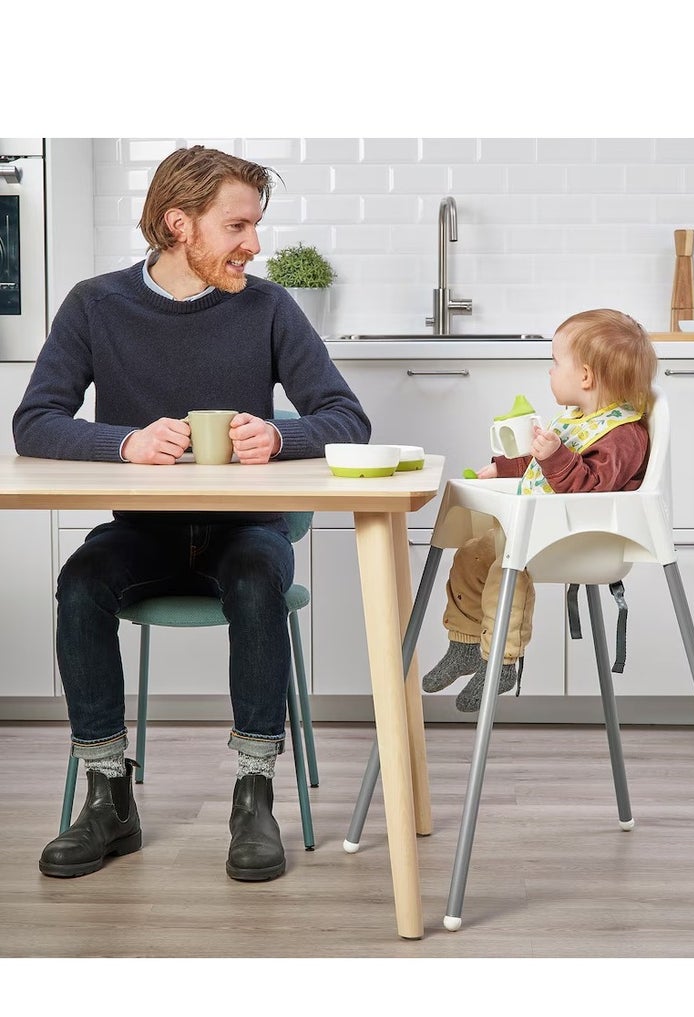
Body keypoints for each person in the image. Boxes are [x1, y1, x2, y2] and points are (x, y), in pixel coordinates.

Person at [13, 145, 371, 882]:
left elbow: (347, 418)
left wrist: (280, 436)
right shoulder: (95, 304)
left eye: (256, 225)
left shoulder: (269, 306)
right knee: (81, 585)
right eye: (237, 225)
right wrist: (125, 444)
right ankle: (108, 798)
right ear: (181, 224)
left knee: (252, 581)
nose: (254, 243)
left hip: (248, 531)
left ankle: (254, 796)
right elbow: (35, 421)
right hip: (143, 532)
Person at [422, 308, 657, 712]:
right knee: (472, 554)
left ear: (584, 376)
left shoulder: (623, 434)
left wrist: (553, 455)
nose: (549, 371)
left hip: (581, 538)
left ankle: (501, 661)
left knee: (503, 569)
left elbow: (590, 486)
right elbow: (543, 466)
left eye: (554, 362)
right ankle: (463, 645)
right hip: (542, 529)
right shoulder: (581, 420)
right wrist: (503, 467)